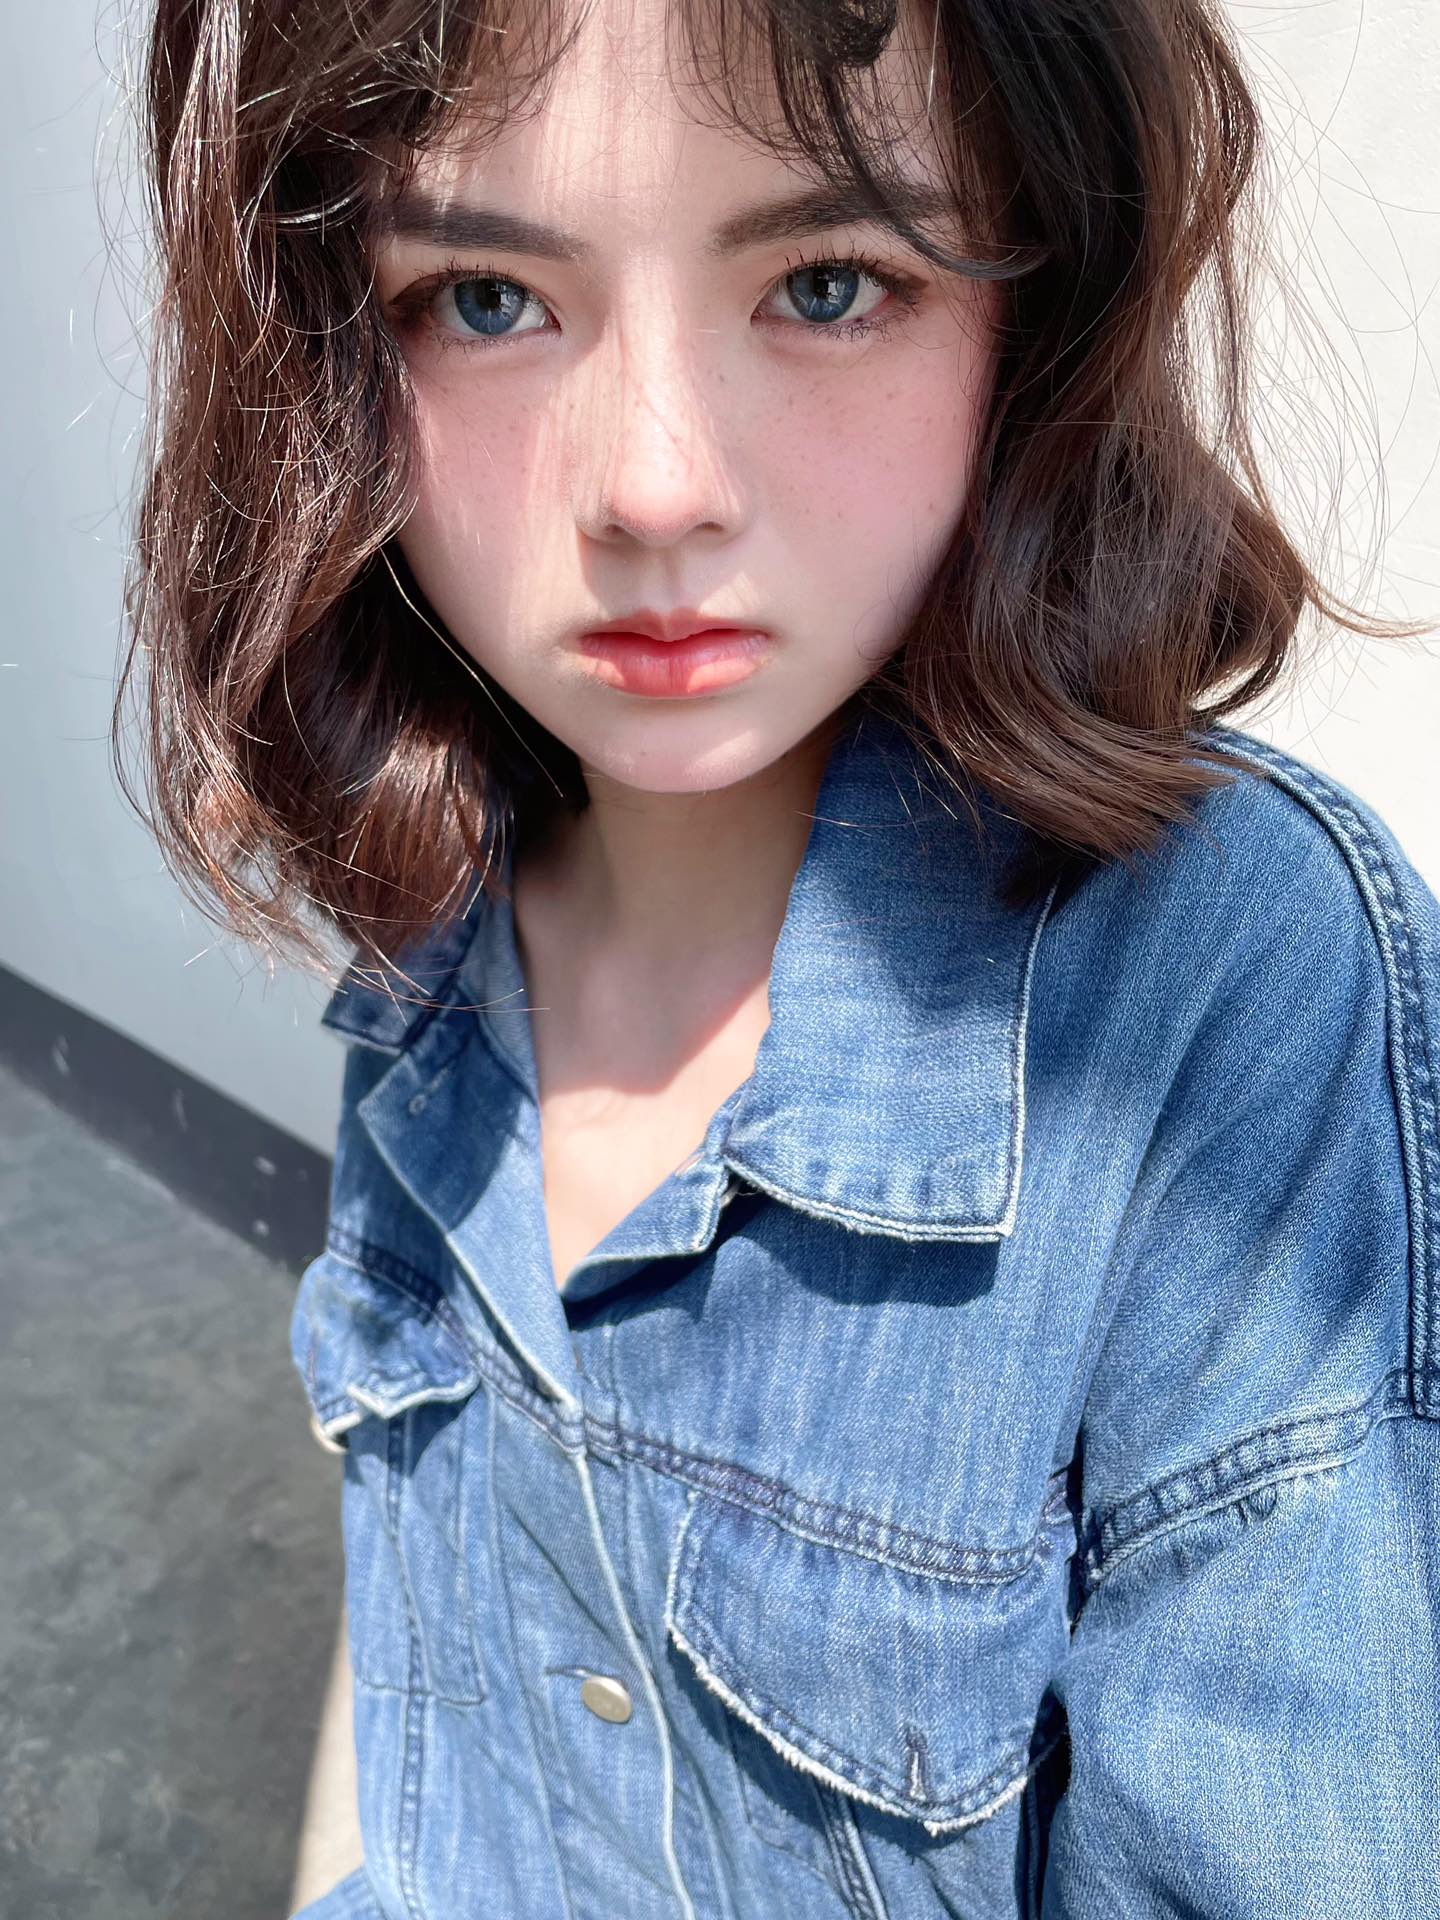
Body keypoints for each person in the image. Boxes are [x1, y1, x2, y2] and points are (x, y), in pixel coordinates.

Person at [117, 0, 1439, 1912]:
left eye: (828, 283)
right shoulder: (434, 910)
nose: (657, 488)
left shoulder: (1228, 979)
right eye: (488, 299)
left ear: (1038, 304)